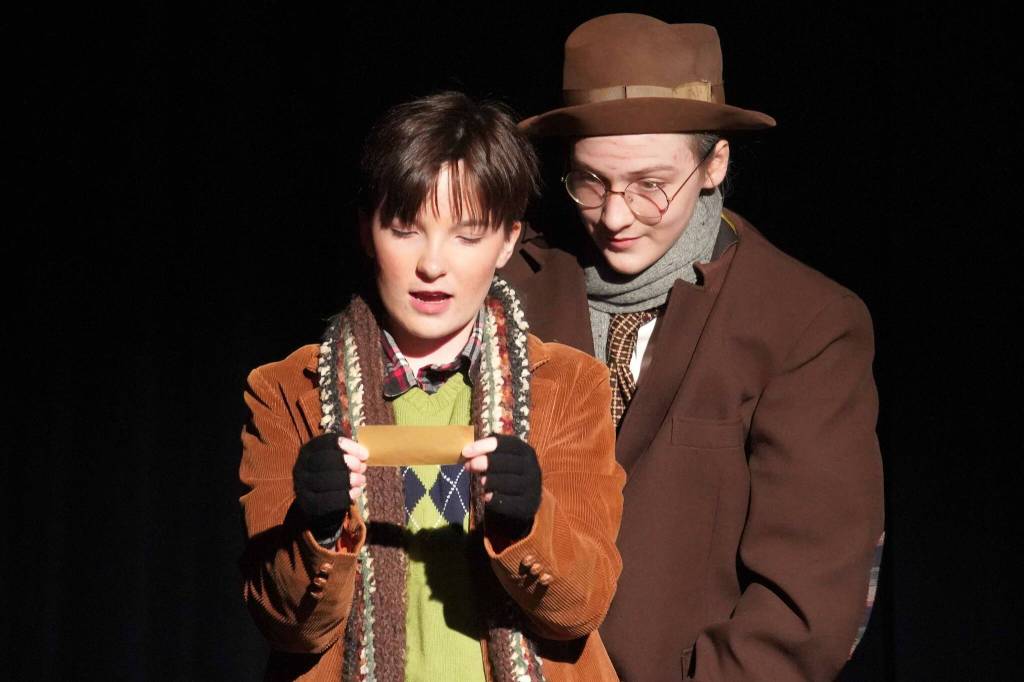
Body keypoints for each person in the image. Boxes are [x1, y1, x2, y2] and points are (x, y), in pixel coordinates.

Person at [502, 13, 885, 682]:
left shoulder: (804, 323)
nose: (614, 215)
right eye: (590, 181)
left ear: (715, 165)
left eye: (651, 184)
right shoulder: (506, 284)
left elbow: (810, 602)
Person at [238, 92, 625, 681]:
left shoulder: (569, 387)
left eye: (467, 236)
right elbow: (287, 626)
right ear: (367, 230)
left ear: (507, 240)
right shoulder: (288, 390)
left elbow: (581, 608)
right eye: (405, 230)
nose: (432, 264)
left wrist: (527, 524)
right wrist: (317, 529)